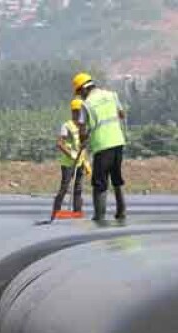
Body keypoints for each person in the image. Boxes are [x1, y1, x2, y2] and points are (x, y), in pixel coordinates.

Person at [73, 72, 128, 222]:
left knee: (99, 182)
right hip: (118, 142)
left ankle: (99, 216)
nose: (80, 97)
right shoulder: (111, 95)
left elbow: (82, 128)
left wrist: (84, 139)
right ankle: (121, 212)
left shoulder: (87, 104)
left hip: (102, 145)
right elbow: (122, 114)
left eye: (79, 93)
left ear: (84, 89)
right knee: (117, 178)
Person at [52, 98, 86, 216]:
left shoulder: (83, 126)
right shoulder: (66, 126)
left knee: (78, 189)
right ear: (73, 112)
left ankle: (77, 212)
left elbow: (84, 145)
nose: (79, 114)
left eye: (81, 112)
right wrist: (71, 154)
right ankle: (56, 211)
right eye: (77, 111)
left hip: (80, 162)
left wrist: (85, 162)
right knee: (65, 188)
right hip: (68, 163)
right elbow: (59, 144)